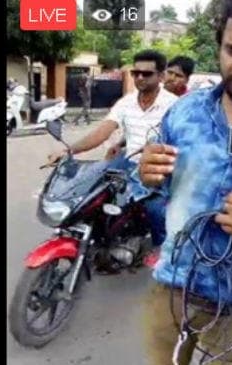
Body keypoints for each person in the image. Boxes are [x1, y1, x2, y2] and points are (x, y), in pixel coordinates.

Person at [137, 0, 232, 365]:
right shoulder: (185, 113)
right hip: (173, 288)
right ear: (219, 46)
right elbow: (157, 186)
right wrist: (147, 174)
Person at [48, 50, 178, 266]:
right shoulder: (126, 102)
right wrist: (69, 150)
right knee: (92, 185)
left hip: (158, 166)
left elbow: (182, 140)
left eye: (146, 74)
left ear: (161, 76)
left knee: (155, 208)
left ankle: (162, 247)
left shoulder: (175, 105)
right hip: (128, 160)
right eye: (136, 73)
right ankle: (98, 235)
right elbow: (103, 131)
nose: (139, 78)